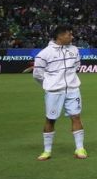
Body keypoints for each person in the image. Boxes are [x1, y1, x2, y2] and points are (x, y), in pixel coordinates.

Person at [33, 25, 86, 160]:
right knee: (50, 119)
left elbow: (76, 66)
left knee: (76, 116)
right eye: (69, 35)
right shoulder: (44, 54)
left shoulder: (74, 50)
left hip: (73, 89)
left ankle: (80, 149)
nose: (72, 37)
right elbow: (37, 75)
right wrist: (49, 85)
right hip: (54, 91)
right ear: (60, 36)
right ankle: (47, 151)